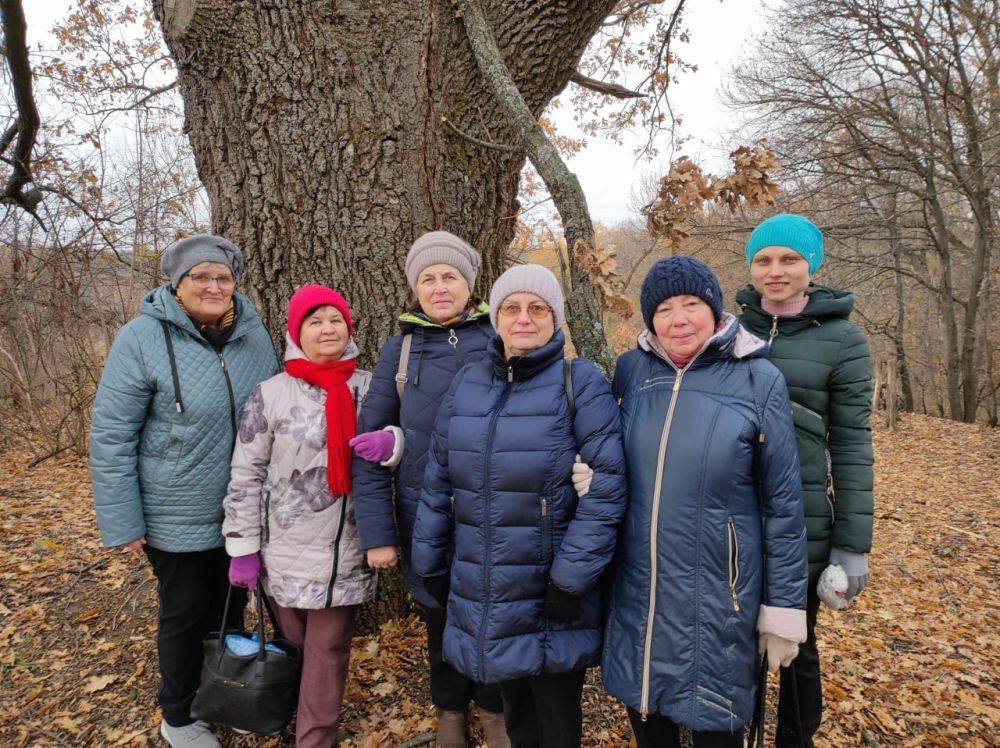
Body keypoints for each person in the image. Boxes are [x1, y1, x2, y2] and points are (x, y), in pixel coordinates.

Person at [591, 255, 808, 747]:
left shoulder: (757, 378)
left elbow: (783, 506)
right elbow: (609, 453)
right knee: (648, 718)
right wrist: (591, 475)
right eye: (665, 308)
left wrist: (783, 611)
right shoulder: (632, 372)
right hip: (639, 595)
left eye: (691, 304)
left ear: (714, 311)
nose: (679, 319)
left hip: (720, 597)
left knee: (718, 731)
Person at [411, 264, 627, 748]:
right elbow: (438, 478)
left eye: (538, 308)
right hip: (482, 581)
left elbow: (607, 488)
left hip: (548, 585)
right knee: (516, 717)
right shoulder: (469, 383)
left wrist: (571, 577)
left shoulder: (580, 383)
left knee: (554, 721)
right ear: (496, 317)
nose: (523, 319)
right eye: (511, 307)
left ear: (556, 319)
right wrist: (427, 560)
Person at [89, 235, 279, 748]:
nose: (214, 286)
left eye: (223, 277)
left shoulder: (254, 336)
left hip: (242, 509)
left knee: (232, 606)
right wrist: (124, 520)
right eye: (201, 277)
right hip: (173, 510)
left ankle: (223, 692)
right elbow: (111, 434)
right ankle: (177, 714)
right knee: (185, 613)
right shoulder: (141, 338)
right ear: (176, 285)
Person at [350, 231, 507, 747]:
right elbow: (369, 446)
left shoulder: (503, 337)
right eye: (428, 278)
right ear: (415, 289)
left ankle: (494, 710)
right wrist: (377, 535)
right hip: (425, 518)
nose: (440, 288)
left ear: (470, 283)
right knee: (439, 618)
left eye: (450, 277)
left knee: (495, 614)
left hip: (498, 516)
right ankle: (450, 714)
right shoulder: (401, 350)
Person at [736, 214, 874, 746]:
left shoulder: (843, 339)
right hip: (738, 511)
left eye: (789, 259)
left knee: (798, 641)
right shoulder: (733, 329)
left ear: (811, 265)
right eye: (764, 260)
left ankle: (796, 736)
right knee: (740, 637)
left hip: (804, 519)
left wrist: (851, 546)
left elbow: (854, 444)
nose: (776, 271)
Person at [223, 284, 376, 747]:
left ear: (348, 327)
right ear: (296, 332)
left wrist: (394, 444)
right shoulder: (270, 393)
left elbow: (403, 446)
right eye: (315, 321)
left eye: (335, 320)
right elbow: (245, 473)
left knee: (327, 652)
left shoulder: (370, 387)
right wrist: (243, 548)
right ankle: (275, 714)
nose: (327, 329)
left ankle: (314, 738)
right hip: (282, 551)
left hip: (346, 550)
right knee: (290, 649)